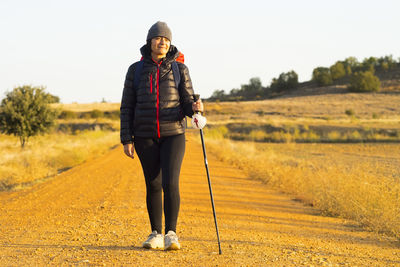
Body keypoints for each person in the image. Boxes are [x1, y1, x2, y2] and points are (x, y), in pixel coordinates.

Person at [120, 21, 203, 251]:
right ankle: (155, 233)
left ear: (170, 43)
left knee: (170, 182)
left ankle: (171, 234)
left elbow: (187, 104)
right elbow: (127, 106)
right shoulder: (135, 71)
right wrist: (127, 139)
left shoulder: (180, 69)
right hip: (145, 135)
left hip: (173, 133)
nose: (162, 42)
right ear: (150, 42)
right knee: (153, 184)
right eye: (158, 38)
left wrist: (195, 109)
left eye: (166, 39)